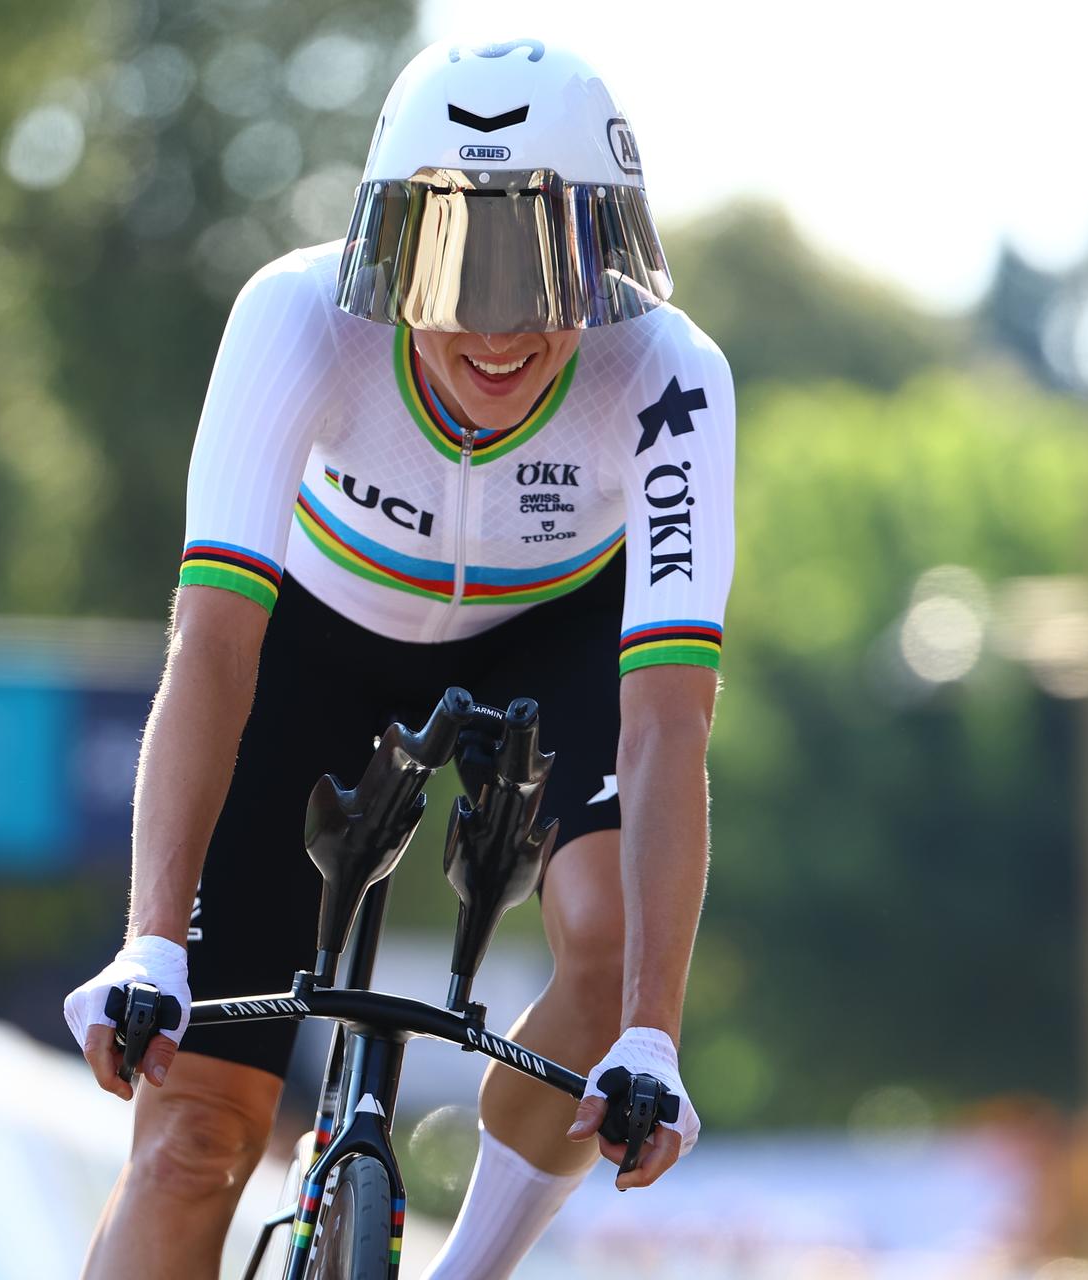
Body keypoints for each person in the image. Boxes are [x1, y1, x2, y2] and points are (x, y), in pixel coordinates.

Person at [61, 36, 735, 1280]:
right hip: (313, 642)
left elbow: (667, 727)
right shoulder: (295, 314)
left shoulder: (670, 375)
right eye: (448, 265)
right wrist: (151, 939)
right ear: (384, 250)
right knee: (194, 1134)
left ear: (608, 266)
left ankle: (468, 1267)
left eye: (541, 279)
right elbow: (211, 641)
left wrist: (652, 1030)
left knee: (604, 943)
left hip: (554, 638)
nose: (495, 329)